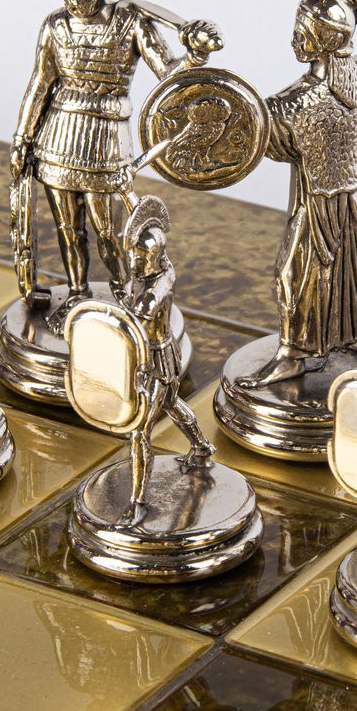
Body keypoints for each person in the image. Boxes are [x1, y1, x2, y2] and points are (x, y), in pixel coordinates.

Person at [10, 0, 221, 331]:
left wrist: (195, 55)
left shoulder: (130, 22)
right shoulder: (55, 26)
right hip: (58, 136)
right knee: (67, 228)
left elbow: (169, 73)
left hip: (107, 139)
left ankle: (124, 291)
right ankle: (78, 293)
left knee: (108, 229)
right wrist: (21, 139)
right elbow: (40, 85)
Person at [238, 0, 357, 388]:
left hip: (318, 205)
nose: (294, 38)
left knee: (294, 273)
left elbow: (251, 129)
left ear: (325, 39)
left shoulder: (295, 103)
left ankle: (294, 354)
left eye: (302, 30)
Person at [118, 195, 214, 525]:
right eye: (132, 253)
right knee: (172, 403)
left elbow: (140, 312)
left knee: (139, 429)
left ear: (153, 256)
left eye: (139, 256)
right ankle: (201, 447)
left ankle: (137, 502)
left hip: (157, 360)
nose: (133, 261)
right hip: (152, 355)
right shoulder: (151, 270)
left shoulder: (158, 286)